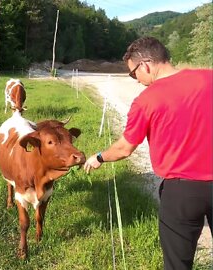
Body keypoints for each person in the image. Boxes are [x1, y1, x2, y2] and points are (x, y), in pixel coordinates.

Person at [83, 36, 212, 270]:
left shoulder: (146, 100)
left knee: (177, 265)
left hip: (181, 192)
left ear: (145, 65)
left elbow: (125, 148)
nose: (136, 80)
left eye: (133, 74)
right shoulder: (209, 78)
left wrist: (99, 157)